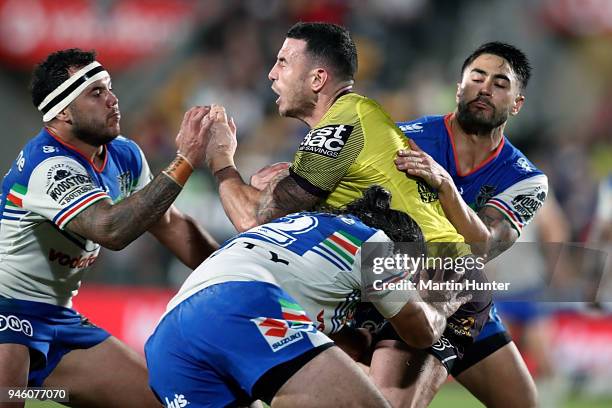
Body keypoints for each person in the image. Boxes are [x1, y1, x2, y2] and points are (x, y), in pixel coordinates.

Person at [201, 22, 492, 369]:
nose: (271, 74)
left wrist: (221, 162)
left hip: (435, 278)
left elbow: (255, 222)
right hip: (412, 273)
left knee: (377, 398)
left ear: (317, 79)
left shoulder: (341, 128)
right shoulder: (350, 120)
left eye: (283, 62)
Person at [0, 49, 217, 407]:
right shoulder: (48, 167)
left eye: (109, 88)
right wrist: (185, 161)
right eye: (96, 93)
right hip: (7, 310)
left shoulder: (124, 155)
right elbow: (110, 229)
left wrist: (238, 275)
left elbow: (169, 224)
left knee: (162, 402)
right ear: (63, 112)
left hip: (57, 318)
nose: (113, 100)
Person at [145, 186, 470, 407]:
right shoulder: (375, 241)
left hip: (168, 340)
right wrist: (444, 300)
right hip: (246, 302)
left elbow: (316, 346)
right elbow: (421, 331)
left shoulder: (300, 226)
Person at [363, 42, 548, 407]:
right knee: (391, 399)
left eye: (499, 83)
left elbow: (482, 246)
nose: (485, 88)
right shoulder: (405, 139)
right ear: (459, 88)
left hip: (459, 295)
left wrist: (446, 186)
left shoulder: (525, 179)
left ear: (517, 103)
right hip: (390, 287)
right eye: (477, 78)